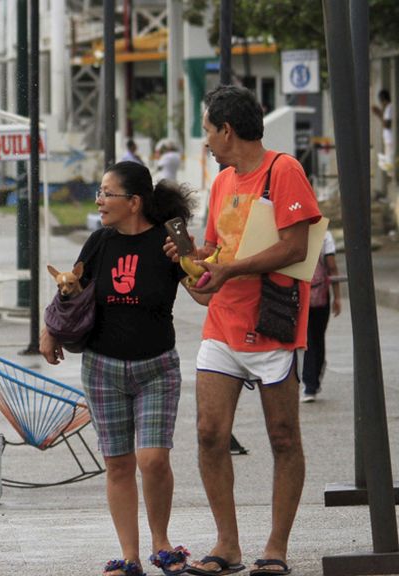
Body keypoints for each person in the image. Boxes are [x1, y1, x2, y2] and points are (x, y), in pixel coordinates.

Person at [167, 85, 321, 576]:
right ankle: (226, 545)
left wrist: (232, 270)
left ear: (227, 130)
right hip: (222, 324)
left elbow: (296, 247)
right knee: (210, 433)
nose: (206, 141)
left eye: (208, 130)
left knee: (283, 436)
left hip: (271, 324)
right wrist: (191, 264)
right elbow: (214, 261)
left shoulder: (284, 171)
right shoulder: (222, 183)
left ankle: (275, 548)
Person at [40, 161, 199, 576]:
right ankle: (130, 557)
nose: (99, 200)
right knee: (118, 463)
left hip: (157, 368)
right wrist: (49, 331)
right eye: (99, 192)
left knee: (152, 459)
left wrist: (189, 256)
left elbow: (204, 296)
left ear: (133, 202)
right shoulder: (99, 242)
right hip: (102, 368)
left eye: (107, 193)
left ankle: (161, 542)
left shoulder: (167, 242)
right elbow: (70, 294)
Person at [301, 232, 342, 403]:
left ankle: (310, 385)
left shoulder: (296, 232)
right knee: (317, 339)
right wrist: (337, 297)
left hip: (301, 296)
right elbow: (332, 267)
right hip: (321, 296)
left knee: (309, 340)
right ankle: (313, 380)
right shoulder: (325, 235)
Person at [372, 89, 393, 174]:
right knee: (389, 166)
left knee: (390, 167)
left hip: (390, 141)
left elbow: (387, 125)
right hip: (389, 141)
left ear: (383, 99)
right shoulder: (388, 108)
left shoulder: (389, 108)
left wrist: (379, 114)